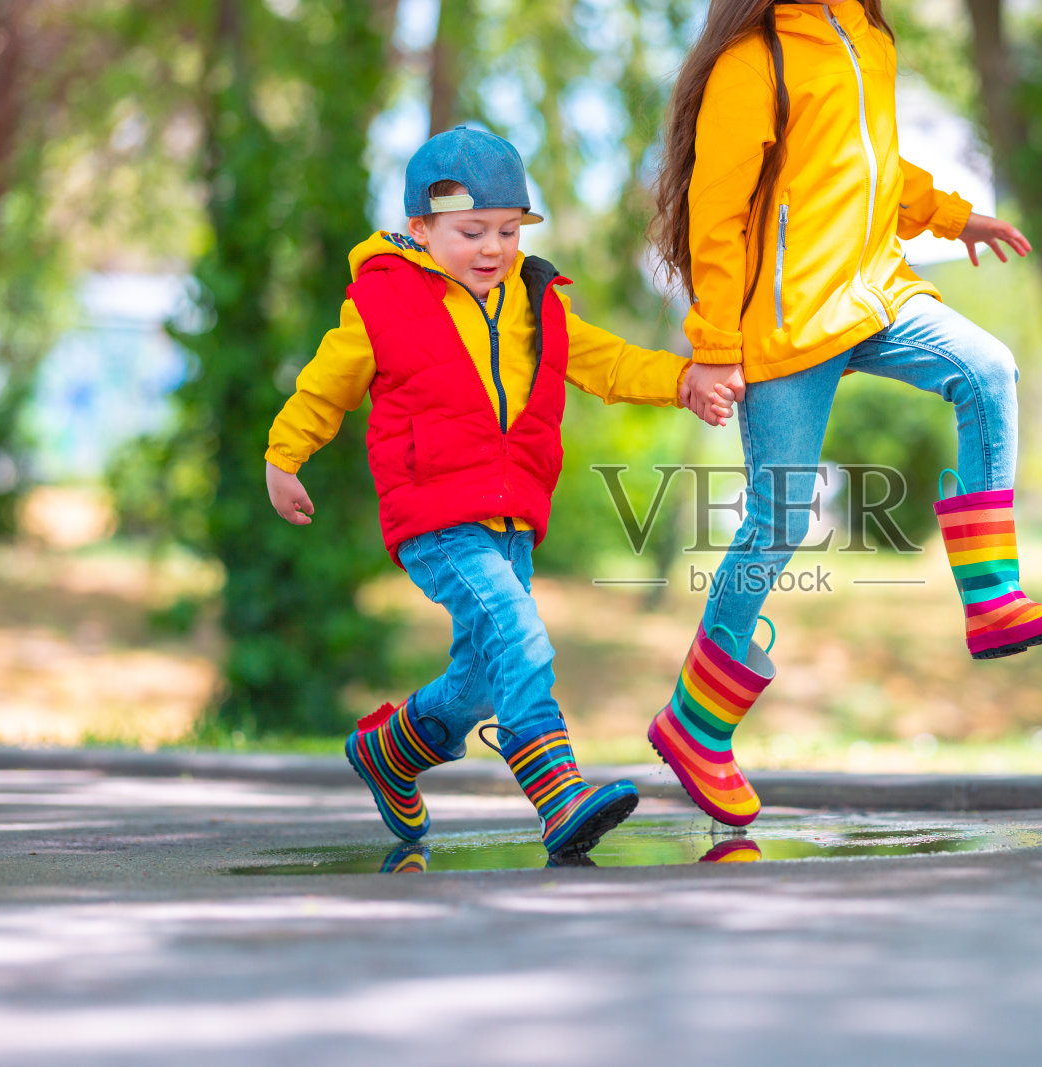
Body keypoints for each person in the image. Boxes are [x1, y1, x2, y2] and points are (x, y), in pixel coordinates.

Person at [645, 0, 1042, 827]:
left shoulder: (869, 35)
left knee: (988, 369)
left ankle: (992, 596)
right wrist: (713, 343)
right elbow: (717, 211)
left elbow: (876, 168)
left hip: (877, 295)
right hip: (786, 323)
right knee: (776, 520)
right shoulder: (755, 61)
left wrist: (954, 216)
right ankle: (694, 722)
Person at [264, 126, 731, 857]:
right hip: (435, 515)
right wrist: (284, 455)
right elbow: (328, 382)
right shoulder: (383, 303)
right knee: (518, 634)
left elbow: (604, 361)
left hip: (511, 517)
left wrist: (682, 379)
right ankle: (558, 794)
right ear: (420, 230)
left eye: (508, 231)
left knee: (483, 673)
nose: (492, 248)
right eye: (470, 231)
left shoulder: (532, 301)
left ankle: (394, 749)